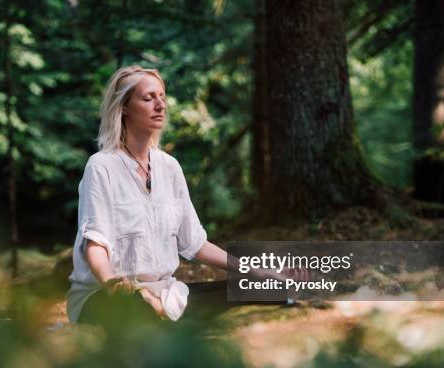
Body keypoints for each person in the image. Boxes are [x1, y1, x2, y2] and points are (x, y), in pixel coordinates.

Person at [67, 65, 305, 324]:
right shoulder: (101, 166)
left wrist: (261, 273)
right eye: (148, 98)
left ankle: (160, 309)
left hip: (166, 294)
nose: (160, 105)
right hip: (108, 297)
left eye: (162, 97)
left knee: (267, 290)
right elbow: (95, 244)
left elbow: (197, 244)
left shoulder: (169, 167)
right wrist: (112, 281)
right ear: (124, 107)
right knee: (134, 308)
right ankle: (155, 311)